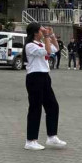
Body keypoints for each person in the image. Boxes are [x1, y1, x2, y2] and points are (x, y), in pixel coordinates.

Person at [23, 22, 66, 150]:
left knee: (53, 106)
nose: (43, 32)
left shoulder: (40, 43)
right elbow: (47, 51)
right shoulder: (30, 46)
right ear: (35, 33)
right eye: (41, 30)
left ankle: (52, 137)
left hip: (45, 77)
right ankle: (30, 140)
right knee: (35, 108)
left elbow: (56, 48)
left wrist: (51, 35)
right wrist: (47, 37)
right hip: (34, 78)